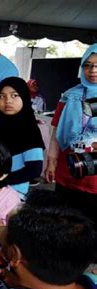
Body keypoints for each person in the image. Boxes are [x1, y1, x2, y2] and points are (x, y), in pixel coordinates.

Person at [45, 43, 97, 222]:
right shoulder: (69, 96)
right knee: (64, 221)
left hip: (94, 177)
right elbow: (56, 132)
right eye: (87, 65)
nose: (92, 70)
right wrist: (51, 162)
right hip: (67, 168)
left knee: (90, 225)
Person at [0, 77, 45, 197]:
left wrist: (1, 181)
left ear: (24, 97)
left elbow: (34, 170)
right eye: (2, 96)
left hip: (14, 193)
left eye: (14, 95)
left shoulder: (30, 130)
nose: (7, 101)